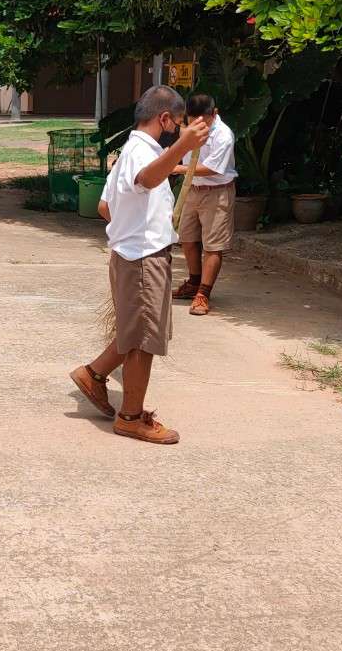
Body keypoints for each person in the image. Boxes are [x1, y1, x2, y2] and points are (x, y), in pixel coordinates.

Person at [69, 85, 209, 445]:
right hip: (142, 259)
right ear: (164, 119)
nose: (177, 131)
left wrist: (132, 223)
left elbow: (105, 207)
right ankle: (131, 418)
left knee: (136, 332)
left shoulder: (132, 152)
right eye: (176, 124)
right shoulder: (141, 153)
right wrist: (182, 147)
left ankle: (93, 375)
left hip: (135, 255)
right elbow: (146, 179)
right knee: (143, 340)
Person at [170, 93, 237, 316]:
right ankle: (193, 283)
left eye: (203, 121)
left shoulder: (224, 135)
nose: (198, 125)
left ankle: (204, 293)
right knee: (187, 239)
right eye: (193, 121)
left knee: (212, 245)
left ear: (214, 114)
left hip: (217, 192)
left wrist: (178, 169)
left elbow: (213, 168)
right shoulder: (188, 129)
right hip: (193, 189)